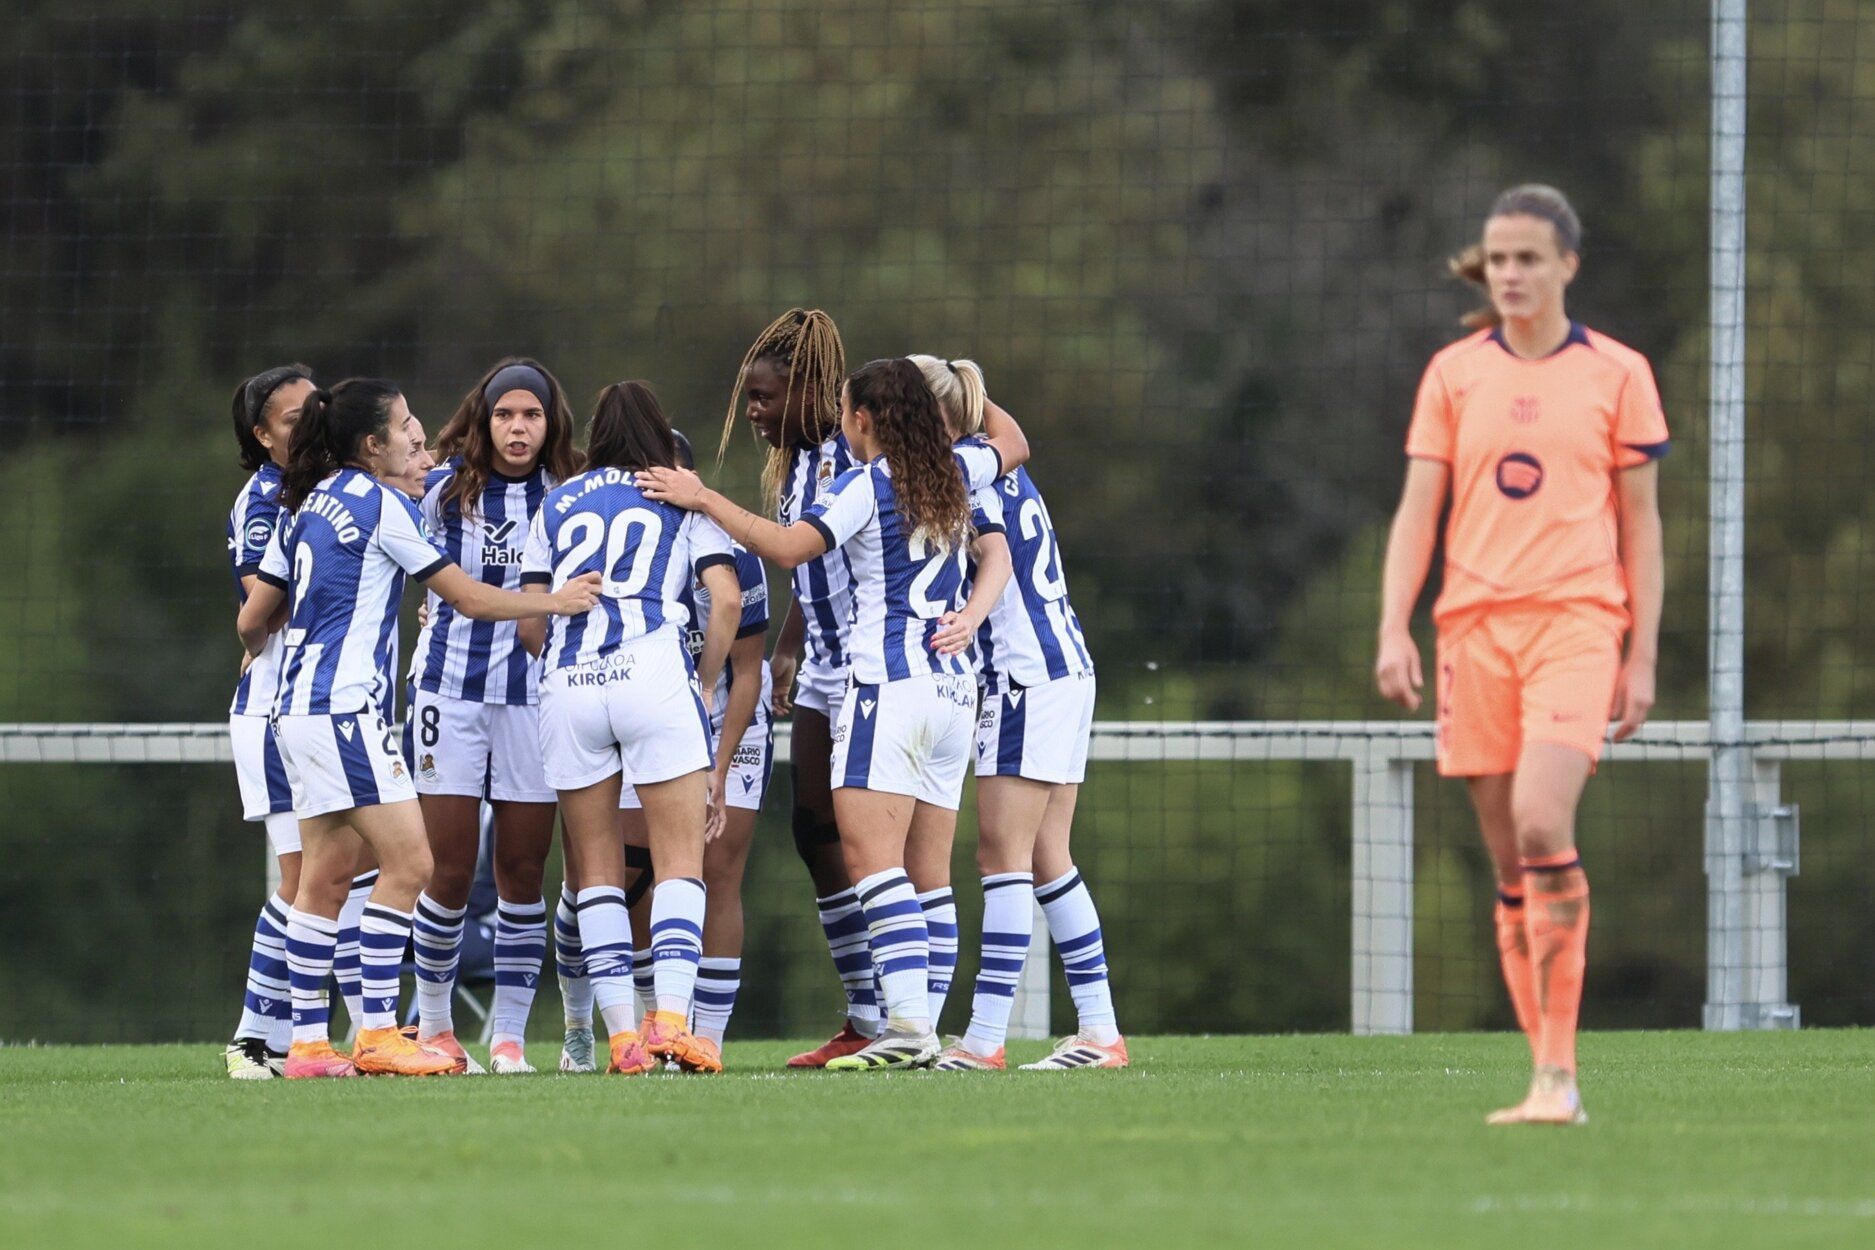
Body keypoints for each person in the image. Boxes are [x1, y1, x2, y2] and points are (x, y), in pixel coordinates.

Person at [1374, 185, 1667, 1125]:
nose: (1508, 275)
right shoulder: (1453, 373)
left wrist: (1643, 655)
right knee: (1508, 865)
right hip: (1471, 635)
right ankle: (1548, 1080)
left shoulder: (1618, 373)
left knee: (1544, 822)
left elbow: (1642, 527)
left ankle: (1560, 1076)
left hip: (1578, 624)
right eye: (1496, 259)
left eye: (1527, 259)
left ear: (1566, 265)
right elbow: (1418, 510)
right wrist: (1394, 627)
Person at [641, 357, 1013, 1071]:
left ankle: (904, 1029)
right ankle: (926, 1029)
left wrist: (703, 498)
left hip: (887, 688)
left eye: (846, 412)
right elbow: (995, 550)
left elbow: (786, 547)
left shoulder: (865, 484)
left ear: (864, 420)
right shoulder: (960, 472)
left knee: (873, 865)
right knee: (929, 874)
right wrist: (970, 614)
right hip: (951, 689)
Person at [238, 378, 599, 1078]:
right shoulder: (381, 503)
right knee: (414, 865)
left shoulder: (303, 501)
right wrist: (554, 600)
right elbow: (461, 594)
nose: (417, 435)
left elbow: (254, 621)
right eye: (405, 424)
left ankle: (310, 1046)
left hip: (292, 710)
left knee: (323, 879)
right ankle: (376, 1033)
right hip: (346, 712)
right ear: (372, 444)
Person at [906, 356, 1126, 1072]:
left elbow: (992, 554)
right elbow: (1011, 432)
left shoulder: (962, 467)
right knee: (1044, 857)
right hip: (1064, 666)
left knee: (999, 857)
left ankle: (983, 1038)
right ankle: (1099, 1030)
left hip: (1024, 677)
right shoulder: (985, 452)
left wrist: (967, 618)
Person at [520, 381, 733, 1076]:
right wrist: (702, 681)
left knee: (595, 874)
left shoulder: (554, 503)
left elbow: (529, 619)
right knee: (678, 862)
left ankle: (621, 1040)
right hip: (651, 673)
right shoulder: (676, 493)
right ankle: (670, 1020)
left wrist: (562, 658)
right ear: (656, 432)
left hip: (570, 685)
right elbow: (726, 599)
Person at [405, 358, 580, 1076]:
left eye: (530, 416)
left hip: (534, 700)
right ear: (484, 419)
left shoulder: (570, 497)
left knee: (519, 869)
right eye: (505, 415)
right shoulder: (440, 490)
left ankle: (507, 1038)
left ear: (549, 423)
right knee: (443, 869)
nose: (517, 428)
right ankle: (437, 1030)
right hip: (447, 692)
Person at [617, 433, 771, 1069]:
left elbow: (749, 671)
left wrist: (720, 761)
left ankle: (707, 1034)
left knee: (717, 873)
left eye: (666, 471)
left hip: (726, 724)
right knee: (639, 875)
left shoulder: (732, 551)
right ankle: (655, 1023)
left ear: (687, 474)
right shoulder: (621, 542)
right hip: (644, 721)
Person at [222, 364, 316, 1078]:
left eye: (317, 409)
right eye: (292, 417)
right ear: (263, 434)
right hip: (277, 708)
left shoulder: (325, 489)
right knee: (305, 878)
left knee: (349, 871)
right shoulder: (266, 501)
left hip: (319, 708)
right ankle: (258, 1037)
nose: (309, 423)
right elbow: (263, 604)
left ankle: (294, 1040)